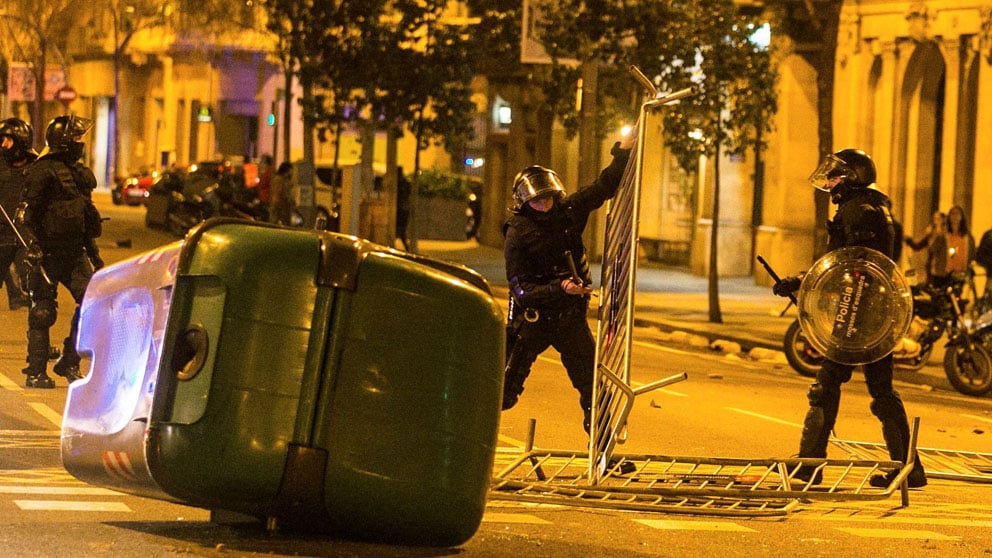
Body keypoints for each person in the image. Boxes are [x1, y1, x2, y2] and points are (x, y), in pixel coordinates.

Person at [772, 148, 927, 488]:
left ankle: (810, 463)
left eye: (837, 176)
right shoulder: (871, 207)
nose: (830, 182)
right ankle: (910, 467)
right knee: (881, 389)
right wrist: (801, 281)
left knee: (827, 384)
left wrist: (808, 284)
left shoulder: (859, 211)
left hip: (858, 313)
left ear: (853, 177)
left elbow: (852, 263)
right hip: (874, 313)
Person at [501, 129, 635, 435]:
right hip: (532, 322)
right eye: (538, 201)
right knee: (504, 391)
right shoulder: (517, 233)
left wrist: (623, 151)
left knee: (594, 393)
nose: (545, 205)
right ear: (524, 202)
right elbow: (520, 289)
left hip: (569, 320)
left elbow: (604, 186)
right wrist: (558, 288)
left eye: (548, 198)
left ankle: (603, 453)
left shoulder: (569, 212)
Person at [16, 115, 104, 389]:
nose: (80, 143)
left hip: (74, 253)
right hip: (47, 253)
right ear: (63, 142)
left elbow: (85, 218)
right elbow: (25, 216)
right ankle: (36, 370)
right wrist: (32, 247)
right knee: (42, 312)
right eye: (76, 138)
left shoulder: (79, 175)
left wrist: (94, 253)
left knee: (92, 305)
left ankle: (69, 360)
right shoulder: (43, 171)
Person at [0, 118, 35, 311]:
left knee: (30, 274)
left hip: (24, 229)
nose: (4, 145)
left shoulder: (36, 165)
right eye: (2, 140)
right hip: (1, 229)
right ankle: (15, 295)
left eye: (8, 140)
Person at [904, 210, 946, 286]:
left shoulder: (946, 234)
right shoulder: (931, 234)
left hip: (943, 267)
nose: (936, 222)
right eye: (934, 219)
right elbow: (918, 245)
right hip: (932, 266)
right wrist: (909, 240)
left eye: (938, 219)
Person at [395, 167, 411, 251]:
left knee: (398, 231)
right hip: (404, 209)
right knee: (402, 232)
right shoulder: (406, 183)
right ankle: (407, 248)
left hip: (399, 209)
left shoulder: (397, 183)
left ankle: (406, 248)